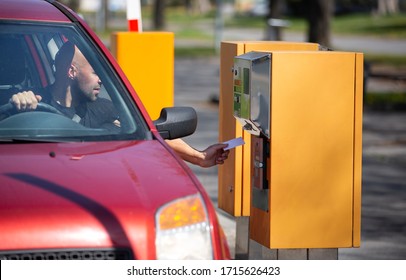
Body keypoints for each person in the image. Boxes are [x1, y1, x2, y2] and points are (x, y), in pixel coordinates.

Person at [10, 41, 229, 168]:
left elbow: (150, 131)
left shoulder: (105, 109)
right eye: (96, 73)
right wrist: (20, 105)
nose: (101, 80)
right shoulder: (33, 101)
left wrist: (199, 157)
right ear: (71, 72)